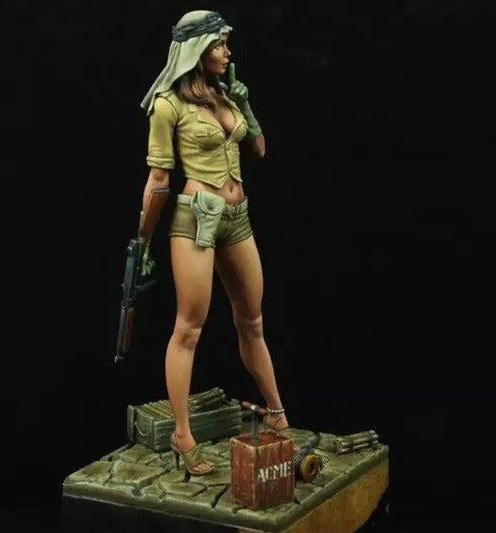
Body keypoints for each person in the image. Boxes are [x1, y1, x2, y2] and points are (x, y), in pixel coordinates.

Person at [137, 10, 290, 477]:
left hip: (236, 217)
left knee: (253, 320)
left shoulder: (225, 94)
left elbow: (258, 150)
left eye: (225, 44)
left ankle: (277, 413)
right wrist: (144, 239)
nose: (227, 52)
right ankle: (183, 434)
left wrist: (247, 107)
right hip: (196, 220)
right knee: (189, 328)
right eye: (220, 45)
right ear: (197, 50)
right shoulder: (168, 105)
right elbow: (158, 180)